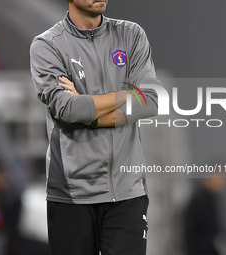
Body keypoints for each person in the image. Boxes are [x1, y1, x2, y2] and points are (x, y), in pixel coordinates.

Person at [30, 1, 160, 254]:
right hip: (71, 193)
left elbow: (151, 101)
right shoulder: (47, 45)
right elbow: (67, 109)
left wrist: (89, 114)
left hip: (127, 192)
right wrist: (126, 94)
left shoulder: (131, 34)